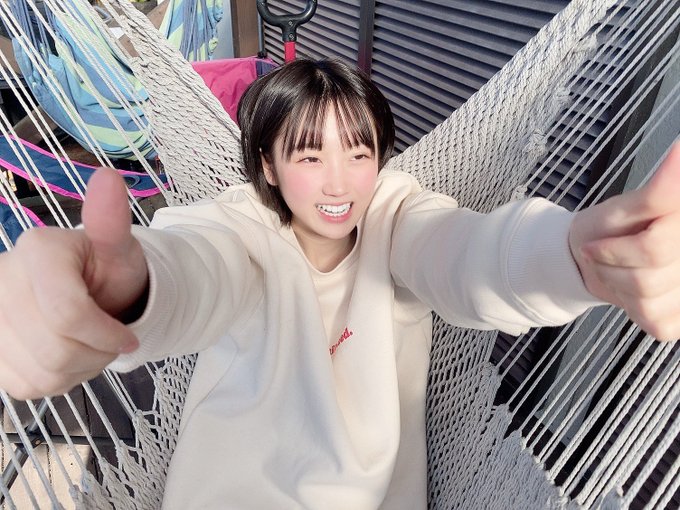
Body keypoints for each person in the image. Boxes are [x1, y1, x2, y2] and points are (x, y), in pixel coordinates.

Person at [0, 58, 679, 509]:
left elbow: (470, 256)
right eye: (308, 155)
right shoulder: (240, 228)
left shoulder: (399, 217)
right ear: (268, 167)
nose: (338, 183)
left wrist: (572, 256)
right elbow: (196, 268)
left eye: (359, 152)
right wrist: (125, 290)